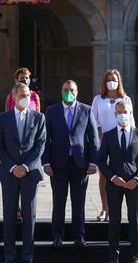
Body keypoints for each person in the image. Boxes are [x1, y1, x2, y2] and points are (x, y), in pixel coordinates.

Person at [0, 81, 46, 263]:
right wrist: (12, 167)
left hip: (30, 173)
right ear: (14, 97)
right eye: (23, 95)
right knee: (9, 215)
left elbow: (40, 145)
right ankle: (9, 256)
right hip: (9, 174)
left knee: (29, 216)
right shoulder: (2, 118)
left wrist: (25, 166)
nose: (26, 99)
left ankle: (28, 256)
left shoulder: (39, 118)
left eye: (29, 96)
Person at [42, 80, 98, 248]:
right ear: (61, 91)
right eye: (66, 89)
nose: (69, 92)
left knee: (79, 202)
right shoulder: (51, 111)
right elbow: (45, 139)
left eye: (71, 90)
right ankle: (57, 236)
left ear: (77, 91)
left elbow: (93, 138)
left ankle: (79, 236)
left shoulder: (86, 110)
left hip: (80, 163)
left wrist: (93, 162)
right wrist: (45, 162)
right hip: (58, 164)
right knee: (59, 201)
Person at [98, 99, 138, 263]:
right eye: (119, 112)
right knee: (114, 221)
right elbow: (101, 161)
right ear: (115, 114)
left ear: (130, 113)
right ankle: (113, 256)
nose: (122, 115)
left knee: (134, 220)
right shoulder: (108, 135)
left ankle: (136, 255)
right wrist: (112, 178)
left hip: (133, 184)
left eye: (125, 112)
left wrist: (137, 179)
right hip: (114, 184)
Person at [90, 69, 131, 222]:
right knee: (104, 176)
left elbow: (130, 121)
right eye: (109, 79)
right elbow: (93, 118)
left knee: (121, 174)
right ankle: (105, 208)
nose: (111, 82)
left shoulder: (125, 99)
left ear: (119, 81)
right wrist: (99, 130)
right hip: (103, 141)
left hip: (120, 141)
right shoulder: (98, 99)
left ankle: (118, 210)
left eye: (114, 79)